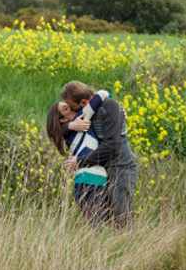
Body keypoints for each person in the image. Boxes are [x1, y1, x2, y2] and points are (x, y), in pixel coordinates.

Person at [59, 81, 138, 228]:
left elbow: (111, 146)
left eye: (72, 107)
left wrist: (81, 161)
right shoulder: (87, 113)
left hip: (121, 168)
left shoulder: (110, 107)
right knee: (103, 220)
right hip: (101, 171)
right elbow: (57, 127)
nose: (71, 110)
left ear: (83, 102)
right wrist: (70, 126)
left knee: (122, 219)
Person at [46, 91, 109, 223]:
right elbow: (103, 93)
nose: (71, 107)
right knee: (96, 227)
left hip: (87, 180)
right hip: (90, 180)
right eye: (66, 107)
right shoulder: (81, 118)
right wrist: (114, 108)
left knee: (94, 225)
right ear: (63, 119)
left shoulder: (69, 131)